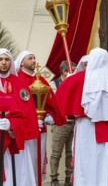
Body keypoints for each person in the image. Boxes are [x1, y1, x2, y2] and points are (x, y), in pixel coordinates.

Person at [56, 48, 108, 186]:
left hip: (87, 127)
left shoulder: (77, 79)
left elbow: (61, 97)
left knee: (87, 163)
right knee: (106, 163)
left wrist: (69, 81)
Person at [14, 50, 66, 185]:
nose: (33, 60)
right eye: (30, 58)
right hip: (25, 128)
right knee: (27, 159)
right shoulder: (18, 79)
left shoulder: (40, 79)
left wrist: (51, 115)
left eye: (34, 58)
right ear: (21, 63)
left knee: (39, 156)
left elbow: (50, 100)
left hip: (41, 127)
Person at [0, 48, 38, 186]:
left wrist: (11, 124)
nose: (4, 63)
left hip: (16, 138)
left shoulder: (20, 84)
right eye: (1, 59)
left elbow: (26, 113)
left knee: (19, 175)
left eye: (6, 59)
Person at [49, 61, 77, 186]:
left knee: (71, 152)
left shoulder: (76, 82)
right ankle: (54, 178)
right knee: (56, 152)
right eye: (73, 70)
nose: (76, 72)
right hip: (61, 122)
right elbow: (55, 101)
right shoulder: (54, 84)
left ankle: (68, 178)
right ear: (64, 71)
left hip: (74, 122)